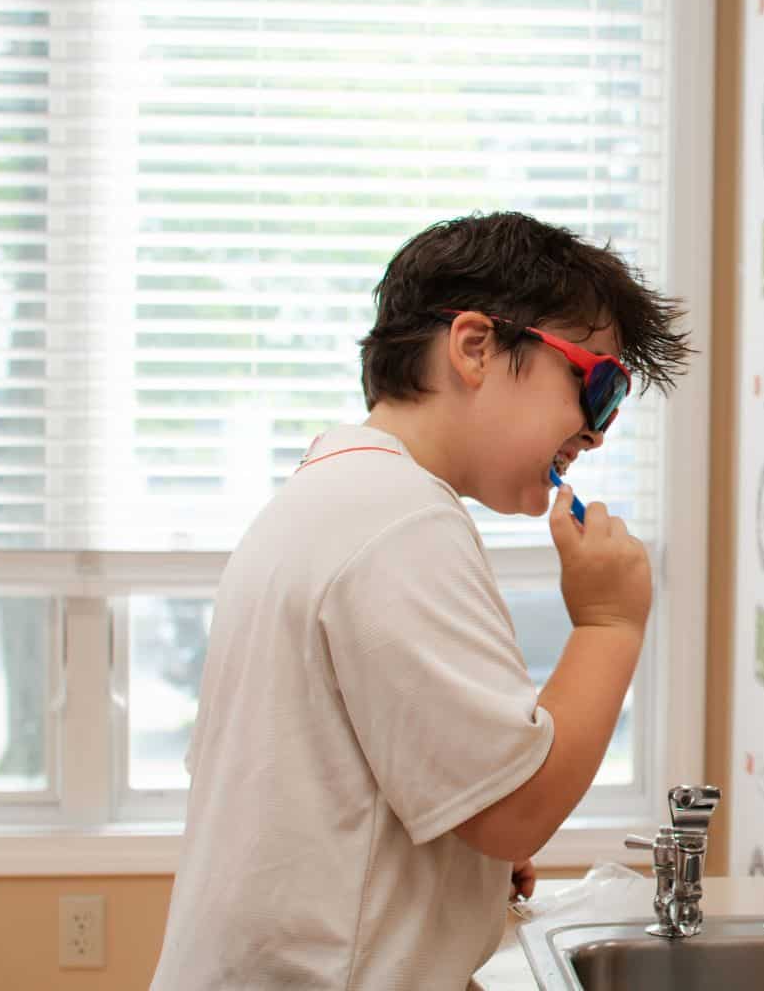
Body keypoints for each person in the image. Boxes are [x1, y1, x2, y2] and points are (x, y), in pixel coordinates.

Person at [150, 212, 691, 989]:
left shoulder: (340, 494)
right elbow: (514, 812)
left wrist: (449, 864)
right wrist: (611, 622)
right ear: (475, 347)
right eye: (596, 384)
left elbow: (341, 782)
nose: (597, 432)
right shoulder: (400, 522)